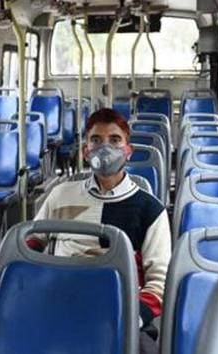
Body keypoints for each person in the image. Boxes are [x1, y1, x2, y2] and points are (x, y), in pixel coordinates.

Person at [28, 108, 171, 354]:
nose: (105, 148)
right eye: (96, 140)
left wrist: (128, 317)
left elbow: (159, 282)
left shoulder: (150, 209)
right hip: (61, 300)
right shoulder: (61, 194)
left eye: (115, 140)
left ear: (128, 151)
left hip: (120, 309)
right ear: (85, 152)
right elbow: (31, 244)